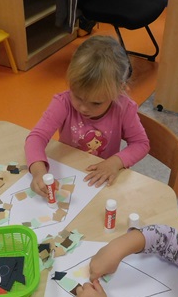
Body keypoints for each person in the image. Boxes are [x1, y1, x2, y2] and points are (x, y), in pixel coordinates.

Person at [24, 35, 149, 196]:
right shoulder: (63, 102)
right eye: (77, 96)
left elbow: (140, 144)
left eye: (96, 103)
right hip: (69, 172)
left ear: (119, 90)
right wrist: (38, 172)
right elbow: (36, 137)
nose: (83, 108)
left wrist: (115, 162)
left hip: (102, 180)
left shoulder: (124, 108)